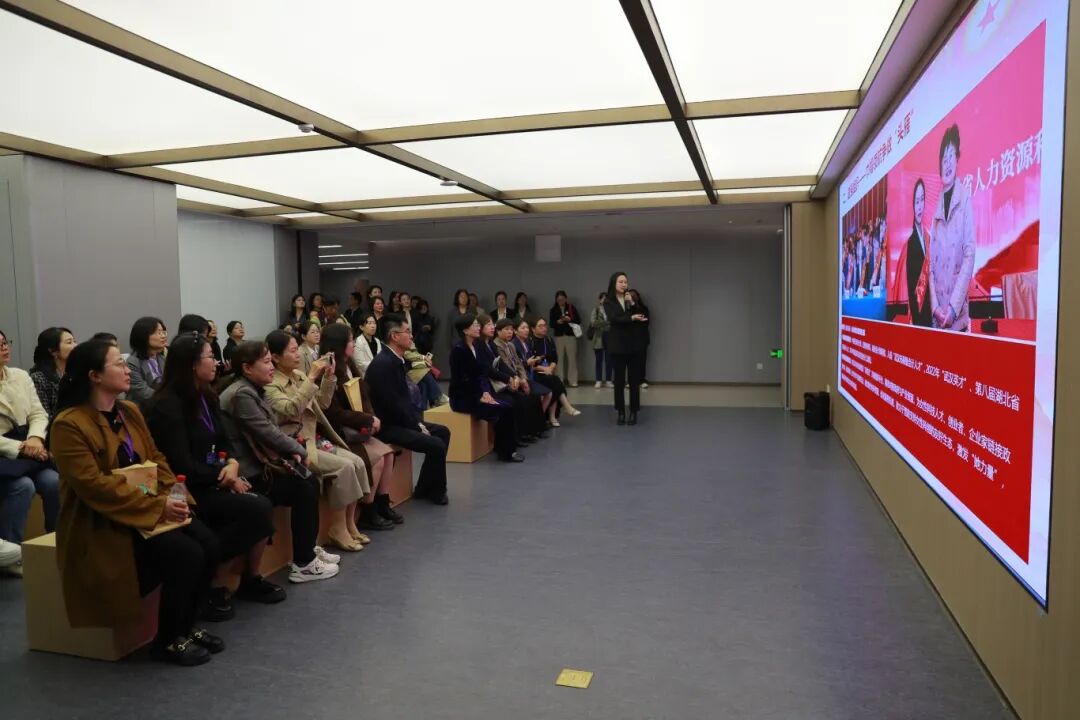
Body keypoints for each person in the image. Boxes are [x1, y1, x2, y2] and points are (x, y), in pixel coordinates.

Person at [49, 340, 224, 666]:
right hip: (104, 519)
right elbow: (94, 485)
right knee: (186, 554)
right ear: (94, 376)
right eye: (118, 364)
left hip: (149, 506)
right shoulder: (69, 424)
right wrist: (158, 507)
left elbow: (156, 458)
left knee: (209, 543)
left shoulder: (129, 411)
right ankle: (168, 639)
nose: (127, 369)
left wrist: (175, 496)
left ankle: (188, 625)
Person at [145, 334, 283, 621]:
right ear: (192, 364)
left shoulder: (207, 395)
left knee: (260, 507)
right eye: (210, 357)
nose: (217, 363)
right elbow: (180, 463)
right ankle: (208, 582)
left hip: (215, 478)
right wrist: (225, 477)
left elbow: (224, 441)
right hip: (187, 489)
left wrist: (232, 463)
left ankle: (228, 577)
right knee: (256, 509)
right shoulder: (166, 405)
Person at [217, 341, 340, 584]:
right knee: (305, 486)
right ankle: (303, 563)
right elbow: (268, 432)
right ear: (247, 368)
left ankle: (307, 551)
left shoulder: (252, 389)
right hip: (248, 472)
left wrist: (292, 448)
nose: (271, 366)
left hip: (260, 463)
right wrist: (298, 449)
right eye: (265, 362)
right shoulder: (242, 394)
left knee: (308, 481)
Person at [263, 330, 371, 551]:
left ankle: (349, 523)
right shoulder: (271, 384)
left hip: (314, 437)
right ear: (275, 357)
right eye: (292, 351)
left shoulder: (298, 375)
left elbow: (321, 403)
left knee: (358, 462)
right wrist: (312, 377)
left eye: (297, 349)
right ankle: (337, 528)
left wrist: (329, 377)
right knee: (344, 467)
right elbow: (290, 409)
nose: (297, 355)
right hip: (295, 444)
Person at [320, 324, 402, 527]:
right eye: (350, 340)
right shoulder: (327, 371)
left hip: (358, 426)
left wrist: (370, 417)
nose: (354, 344)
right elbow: (333, 412)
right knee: (378, 459)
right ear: (339, 344)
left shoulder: (349, 364)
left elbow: (364, 395)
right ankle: (368, 509)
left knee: (389, 454)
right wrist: (366, 420)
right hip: (340, 431)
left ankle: (382, 502)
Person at [365, 315, 452, 505]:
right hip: (387, 426)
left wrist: (417, 422)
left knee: (443, 432)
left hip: (401, 420)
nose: (412, 336)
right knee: (436, 444)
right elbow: (392, 405)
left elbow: (403, 402)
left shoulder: (396, 360)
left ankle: (424, 487)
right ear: (394, 336)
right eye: (407, 332)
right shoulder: (384, 364)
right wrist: (416, 425)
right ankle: (437, 491)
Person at [0, 329, 60, 566]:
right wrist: (20, 447)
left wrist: (35, 438)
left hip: (28, 448)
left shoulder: (20, 376)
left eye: (5, 342)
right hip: (6, 454)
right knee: (22, 486)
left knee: (54, 482)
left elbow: (38, 412)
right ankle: (11, 556)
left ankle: (56, 542)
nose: (4, 347)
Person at [449, 316, 523, 463]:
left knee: (507, 407)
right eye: (475, 325)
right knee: (504, 409)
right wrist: (479, 396)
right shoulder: (459, 350)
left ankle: (504, 449)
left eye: (478, 325)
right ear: (465, 330)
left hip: (477, 393)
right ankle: (506, 453)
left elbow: (481, 374)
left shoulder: (475, 347)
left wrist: (485, 392)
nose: (478, 328)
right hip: (463, 397)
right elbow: (462, 380)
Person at [930, 123, 976, 332]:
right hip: (937, 318)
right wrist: (935, 308)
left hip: (957, 318)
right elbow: (930, 266)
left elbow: (969, 255)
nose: (947, 163)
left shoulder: (965, 199)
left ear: (958, 159)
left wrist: (952, 308)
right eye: (944, 158)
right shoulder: (936, 209)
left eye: (951, 156)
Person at [604, 272, 647, 426]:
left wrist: (632, 304)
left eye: (626, 282)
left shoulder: (631, 299)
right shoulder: (608, 301)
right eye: (621, 281)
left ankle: (634, 411)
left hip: (633, 346)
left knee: (634, 381)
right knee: (619, 381)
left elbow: (640, 315)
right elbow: (614, 318)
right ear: (614, 283)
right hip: (618, 346)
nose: (624, 284)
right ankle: (621, 411)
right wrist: (631, 318)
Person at [526, 317, 581, 425]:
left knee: (553, 382)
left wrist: (550, 368)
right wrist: (544, 368)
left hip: (548, 372)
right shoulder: (530, 342)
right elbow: (529, 363)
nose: (544, 328)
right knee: (555, 382)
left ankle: (554, 416)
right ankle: (562, 410)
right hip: (535, 373)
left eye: (544, 325)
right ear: (533, 329)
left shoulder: (549, 340)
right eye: (540, 326)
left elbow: (554, 359)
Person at [29, 326, 77, 419]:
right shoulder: (38, 379)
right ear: (53, 351)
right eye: (69, 342)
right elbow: (43, 416)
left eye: (75, 341)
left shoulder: (75, 374)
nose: (75, 346)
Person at [905, 179, 933, 326]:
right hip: (919, 313)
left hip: (932, 308)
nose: (920, 205)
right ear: (912, 205)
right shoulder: (910, 242)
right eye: (917, 201)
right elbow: (912, 288)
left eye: (922, 200)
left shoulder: (928, 237)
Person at [126, 316, 168, 407]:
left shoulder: (162, 358)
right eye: (158, 333)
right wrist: (168, 399)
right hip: (142, 408)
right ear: (143, 336)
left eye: (163, 332)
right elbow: (143, 392)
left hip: (162, 405)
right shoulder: (132, 363)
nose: (163, 336)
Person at [549, 291, 581, 387]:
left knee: (572, 359)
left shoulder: (571, 307)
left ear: (566, 299)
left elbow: (579, 320)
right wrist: (557, 322)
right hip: (559, 337)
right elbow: (551, 324)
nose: (561, 301)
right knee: (559, 359)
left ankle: (573, 380)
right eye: (559, 300)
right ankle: (560, 380)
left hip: (570, 336)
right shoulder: (553, 310)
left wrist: (569, 319)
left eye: (562, 299)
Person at [628, 289, 651, 389]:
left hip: (642, 338)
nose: (632, 298)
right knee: (630, 361)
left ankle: (642, 380)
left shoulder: (644, 308)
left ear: (638, 296)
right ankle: (631, 381)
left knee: (642, 360)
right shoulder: (626, 309)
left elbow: (646, 322)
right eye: (630, 296)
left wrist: (636, 319)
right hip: (629, 339)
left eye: (634, 296)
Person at [589, 292, 612, 388]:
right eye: (603, 298)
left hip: (609, 337)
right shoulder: (596, 309)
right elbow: (593, 322)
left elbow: (613, 323)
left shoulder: (611, 310)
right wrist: (606, 322)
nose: (605, 300)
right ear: (599, 300)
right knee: (599, 360)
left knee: (609, 360)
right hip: (598, 337)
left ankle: (608, 380)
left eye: (606, 299)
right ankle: (598, 380)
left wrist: (603, 323)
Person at [353, 313, 383, 378]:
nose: (373, 326)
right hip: (366, 376)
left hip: (379, 374)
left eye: (374, 323)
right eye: (369, 323)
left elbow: (380, 358)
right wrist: (379, 365)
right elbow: (360, 364)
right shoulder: (358, 342)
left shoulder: (377, 341)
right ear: (361, 327)